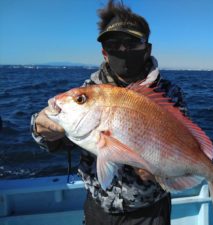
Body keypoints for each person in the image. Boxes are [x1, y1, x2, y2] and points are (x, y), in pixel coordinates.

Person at [31, 1, 187, 225]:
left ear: (147, 49)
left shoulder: (169, 93)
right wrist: (40, 127)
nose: (123, 50)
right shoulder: (85, 93)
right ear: (104, 53)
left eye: (132, 43)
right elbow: (52, 139)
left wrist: (162, 173)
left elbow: (182, 147)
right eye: (114, 44)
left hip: (151, 211)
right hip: (99, 208)